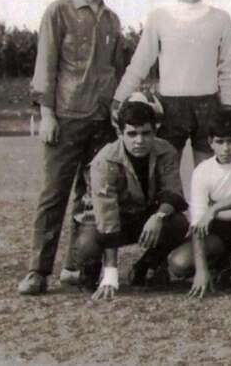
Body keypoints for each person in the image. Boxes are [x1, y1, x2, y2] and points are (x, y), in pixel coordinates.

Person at [18, 0, 125, 295]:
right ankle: (38, 271)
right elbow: (45, 67)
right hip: (65, 117)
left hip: (101, 122)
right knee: (54, 195)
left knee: (92, 197)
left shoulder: (112, 20)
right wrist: (47, 114)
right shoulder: (59, 12)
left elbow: (114, 71)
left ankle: (76, 266)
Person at [112, 0, 231, 167]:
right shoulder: (160, 17)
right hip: (170, 106)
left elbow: (226, 69)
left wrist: (229, 106)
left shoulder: (221, 18)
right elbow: (140, 64)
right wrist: (120, 98)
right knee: (166, 171)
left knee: (208, 173)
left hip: (208, 105)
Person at [73, 101, 189, 300]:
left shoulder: (166, 150)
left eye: (146, 133)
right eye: (132, 134)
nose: (139, 141)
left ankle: (145, 266)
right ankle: (91, 273)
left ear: (155, 131)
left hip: (144, 217)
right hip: (102, 219)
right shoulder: (105, 159)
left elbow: (173, 192)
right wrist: (111, 273)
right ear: (120, 133)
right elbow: (107, 216)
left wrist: (159, 216)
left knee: (178, 223)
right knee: (86, 243)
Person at [167, 108, 231, 298]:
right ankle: (223, 261)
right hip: (218, 231)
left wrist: (214, 207)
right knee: (178, 263)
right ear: (210, 143)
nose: (225, 148)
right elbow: (198, 224)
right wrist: (201, 270)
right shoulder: (202, 171)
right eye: (219, 142)